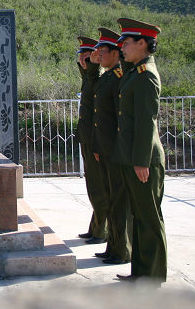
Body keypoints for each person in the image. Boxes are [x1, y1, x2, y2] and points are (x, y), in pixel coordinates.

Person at [112, 18, 167, 285]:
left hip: (143, 160)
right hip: (132, 157)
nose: (122, 46)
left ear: (143, 43)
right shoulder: (135, 72)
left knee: (149, 218)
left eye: (127, 42)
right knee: (139, 216)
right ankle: (141, 273)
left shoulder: (146, 76)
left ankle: (153, 277)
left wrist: (141, 160)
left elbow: (147, 121)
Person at [89, 28, 132, 265]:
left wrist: (117, 147)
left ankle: (122, 249)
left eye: (102, 51)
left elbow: (119, 117)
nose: (99, 54)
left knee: (119, 201)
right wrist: (93, 65)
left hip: (115, 148)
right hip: (105, 148)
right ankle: (113, 246)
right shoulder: (107, 76)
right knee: (110, 197)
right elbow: (93, 93)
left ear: (116, 53)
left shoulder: (118, 77)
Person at [76, 36, 108, 244]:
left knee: (99, 188)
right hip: (88, 138)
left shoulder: (98, 78)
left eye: (83, 56)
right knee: (93, 186)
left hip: (96, 140)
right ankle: (96, 227)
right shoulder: (89, 76)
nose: (80, 59)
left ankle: (101, 230)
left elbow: (100, 114)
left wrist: (97, 142)